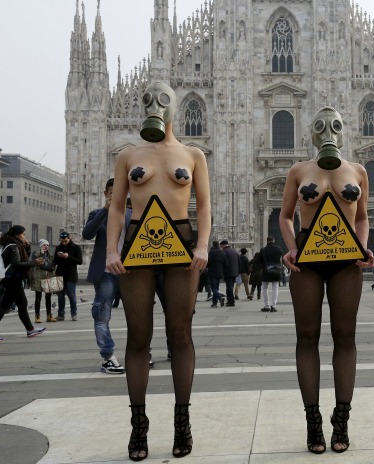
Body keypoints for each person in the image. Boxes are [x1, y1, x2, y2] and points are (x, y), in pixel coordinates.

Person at [105, 81, 211, 461]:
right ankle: (139, 425)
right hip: (139, 241)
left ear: (174, 108)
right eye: (147, 99)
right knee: (138, 337)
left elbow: (204, 205)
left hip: (180, 241)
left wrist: (201, 244)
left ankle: (182, 422)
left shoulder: (192, 153)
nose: (154, 105)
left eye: (162, 100)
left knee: (181, 333)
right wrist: (111, 249)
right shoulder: (129, 154)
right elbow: (117, 207)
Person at [280, 106, 374, 454]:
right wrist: (291, 248)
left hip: (346, 260)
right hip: (308, 257)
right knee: (307, 336)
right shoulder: (298, 170)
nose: (328, 132)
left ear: (343, 130)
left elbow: (362, 217)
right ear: (312, 133)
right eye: (320, 126)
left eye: (335, 125)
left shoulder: (358, 170)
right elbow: (285, 216)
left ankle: (341, 420)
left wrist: (362, 247)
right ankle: (313, 422)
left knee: (345, 336)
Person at [81, 177, 126, 374]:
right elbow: (88, 234)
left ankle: (142, 353)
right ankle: (108, 357)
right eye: (112, 191)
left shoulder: (134, 213)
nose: (116, 194)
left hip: (130, 273)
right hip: (107, 272)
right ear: (106, 193)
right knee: (102, 315)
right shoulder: (97, 214)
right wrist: (105, 210)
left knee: (139, 316)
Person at [0, 225, 46, 342]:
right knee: (5, 306)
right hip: (13, 280)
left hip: (14, 279)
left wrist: (27, 246)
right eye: (23, 234)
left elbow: (23, 258)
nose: (25, 236)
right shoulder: (13, 246)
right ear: (17, 234)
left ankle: (30, 329)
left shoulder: (14, 245)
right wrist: (34, 263)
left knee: (22, 303)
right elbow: (17, 264)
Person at [53, 231, 83, 321]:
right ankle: (61, 314)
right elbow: (55, 261)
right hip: (60, 274)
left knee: (71, 294)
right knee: (60, 296)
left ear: (70, 238)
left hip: (71, 274)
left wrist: (68, 257)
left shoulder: (76, 247)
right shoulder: (58, 248)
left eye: (65, 241)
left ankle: (74, 314)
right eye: (62, 241)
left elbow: (79, 261)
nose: (64, 243)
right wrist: (58, 257)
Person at [28, 239, 57, 323]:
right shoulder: (35, 254)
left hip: (48, 278)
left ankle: (49, 315)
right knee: (38, 298)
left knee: (48, 298)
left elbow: (52, 266)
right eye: (44, 245)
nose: (46, 246)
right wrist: (41, 254)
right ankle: (37, 316)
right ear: (40, 246)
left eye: (47, 245)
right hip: (38, 278)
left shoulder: (50, 255)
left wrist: (45, 266)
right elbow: (34, 262)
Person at [259, 236, 282, 312]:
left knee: (264, 288)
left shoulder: (263, 250)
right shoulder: (278, 248)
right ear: (273, 240)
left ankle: (266, 306)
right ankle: (273, 306)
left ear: (267, 241)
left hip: (266, 271)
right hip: (276, 270)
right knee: (275, 288)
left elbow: (259, 261)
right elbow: (282, 258)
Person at [220, 240, 240, 307]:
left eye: (221, 246)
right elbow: (239, 262)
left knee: (229, 287)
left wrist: (222, 272)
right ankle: (229, 300)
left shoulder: (223, 252)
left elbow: (223, 263)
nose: (221, 247)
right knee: (230, 286)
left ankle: (231, 302)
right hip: (235, 272)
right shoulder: (235, 251)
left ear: (223, 245)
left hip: (228, 272)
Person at [207, 240, 226, 308]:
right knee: (216, 288)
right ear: (218, 245)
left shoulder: (211, 252)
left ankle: (220, 298)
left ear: (213, 245)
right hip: (220, 272)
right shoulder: (222, 252)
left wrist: (207, 266)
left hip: (212, 272)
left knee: (213, 288)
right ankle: (214, 303)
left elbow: (208, 262)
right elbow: (225, 263)